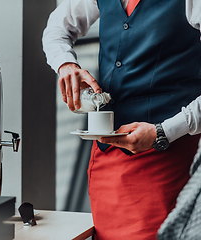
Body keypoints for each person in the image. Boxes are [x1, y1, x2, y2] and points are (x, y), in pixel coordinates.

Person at [42, 0, 201, 239]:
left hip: (168, 160)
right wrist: (65, 64)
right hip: (106, 160)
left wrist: (164, 131)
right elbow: (57, 27)